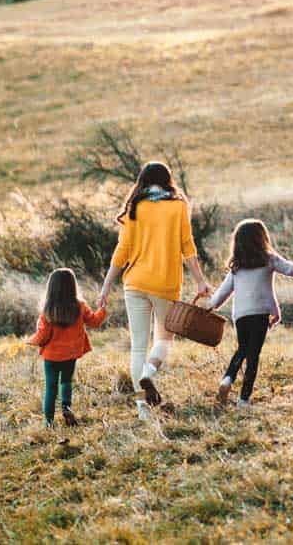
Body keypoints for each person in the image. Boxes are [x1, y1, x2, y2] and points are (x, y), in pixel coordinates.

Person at [97, 161, 212, 419]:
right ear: (168, 180)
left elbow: (122, 251)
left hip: (135, 283)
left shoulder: (134, 207)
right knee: (164, 340)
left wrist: (106, 286)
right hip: (164, 284)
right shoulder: (178, 206)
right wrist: (201, 281)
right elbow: (187, 246)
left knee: (138, 346)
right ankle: (149, 373)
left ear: (143, 181)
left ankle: (142, 407)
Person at [208, 219, 293, 407]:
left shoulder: (236, 267)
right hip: (259, 316)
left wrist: (208, 307)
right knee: (253, 356)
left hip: (241, 316)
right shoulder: (268, 259)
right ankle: (243, 400)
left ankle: (227, 379)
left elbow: (221, 294)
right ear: (261, 239)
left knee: (242, 349)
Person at [26, 267, 107, 434]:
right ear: (73, 286)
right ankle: (66, 410)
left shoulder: (48, 310)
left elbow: (42, 335)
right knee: (66, 382)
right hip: (71, 354)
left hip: (52, 356)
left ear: (51, 287)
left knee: (50, 387)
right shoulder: (80, 306)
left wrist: (30, 341)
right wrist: (102, 309)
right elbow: (94, 321)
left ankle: (48, 423)